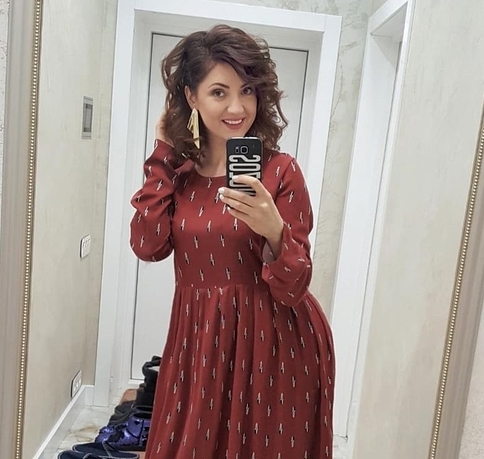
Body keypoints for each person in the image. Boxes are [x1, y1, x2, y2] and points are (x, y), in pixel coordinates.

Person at [129, 24, 335, 459]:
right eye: (219, 92)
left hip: (274, 343)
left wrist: (274, 230)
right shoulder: (179, 176)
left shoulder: (281, 171)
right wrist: (163, 152)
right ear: (191, 97)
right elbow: (148, 246)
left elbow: (294, 286)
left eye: (247, 91)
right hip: (197, 339)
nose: (237, 107)